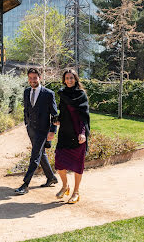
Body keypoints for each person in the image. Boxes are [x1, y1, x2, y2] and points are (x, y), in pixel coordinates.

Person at [15, 68, 58, 195]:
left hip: (42, 130)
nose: (32, 80)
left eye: (35, 78)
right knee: (40, 153)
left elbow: (54, 114)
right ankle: (51, 178)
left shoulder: (48, 94)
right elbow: (26, 109)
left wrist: (52, 131)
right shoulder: (26, 91)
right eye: (30, 78)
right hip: (31, 130)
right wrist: (26, 123)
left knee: (34, 156)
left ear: (40, 78)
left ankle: (25, 184)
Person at [54, 68, 90, 203]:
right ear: (64, 80)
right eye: (67, 78)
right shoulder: (62, 94)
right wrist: (58, 119)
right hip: (65, 132)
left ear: (75, 79)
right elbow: (63, 112)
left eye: (71, 78)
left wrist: (82, 133)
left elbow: (84, 117)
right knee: (59, 162)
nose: (69, 80)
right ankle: (65, 186)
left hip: (78, 133)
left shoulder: (81, 95)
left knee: (77, 165)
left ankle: (76, 192)